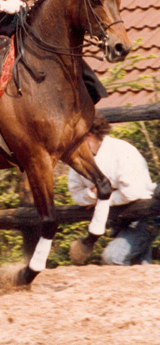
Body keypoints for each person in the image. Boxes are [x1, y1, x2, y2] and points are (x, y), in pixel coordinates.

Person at [68, 113, 160, 265]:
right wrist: (93, 194)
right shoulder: (78, 159)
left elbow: (132, 193)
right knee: (140, 265)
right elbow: (76, 194)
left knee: (113, 258)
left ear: (89, 136)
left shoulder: (122, 152)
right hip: (120, 219)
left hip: (145, 216)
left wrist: (101, 198)